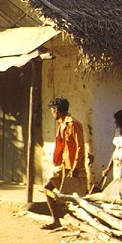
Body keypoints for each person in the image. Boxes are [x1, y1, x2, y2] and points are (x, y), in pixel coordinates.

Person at [41, 97, 87, 230]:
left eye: (52, 110)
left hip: (73, 167)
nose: (51, 113)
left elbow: (80, 147)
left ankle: (81, 224)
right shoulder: (61, 124)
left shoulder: (74, 124)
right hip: (62, 165)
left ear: (56, 110)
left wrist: (76, 167)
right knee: (47, 188)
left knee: (76, 197)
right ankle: (56, 221)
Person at [102, 108, 122, 181]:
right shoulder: (118, 131)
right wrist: (108, 168)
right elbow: (116, 149)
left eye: (117, 120)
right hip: (116, 163)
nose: (115, 122)